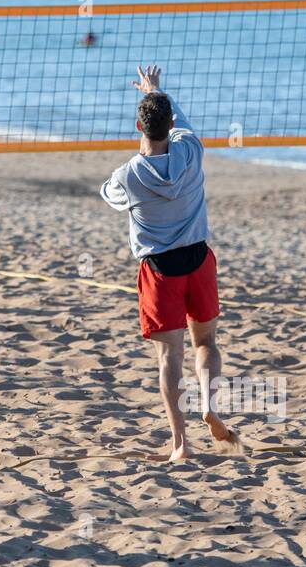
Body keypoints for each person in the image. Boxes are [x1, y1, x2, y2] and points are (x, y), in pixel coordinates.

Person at [101, 64, 236, 461]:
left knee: (168, 359)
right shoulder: (192, 151)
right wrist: (157, 92)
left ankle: (181, 444)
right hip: (198, 260)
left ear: (137, 127)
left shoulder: (128, 176)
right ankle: (210, 406)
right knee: (207, 343)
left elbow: (108, 195)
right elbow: (182, 126)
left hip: (161, 271)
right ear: (171, 123)